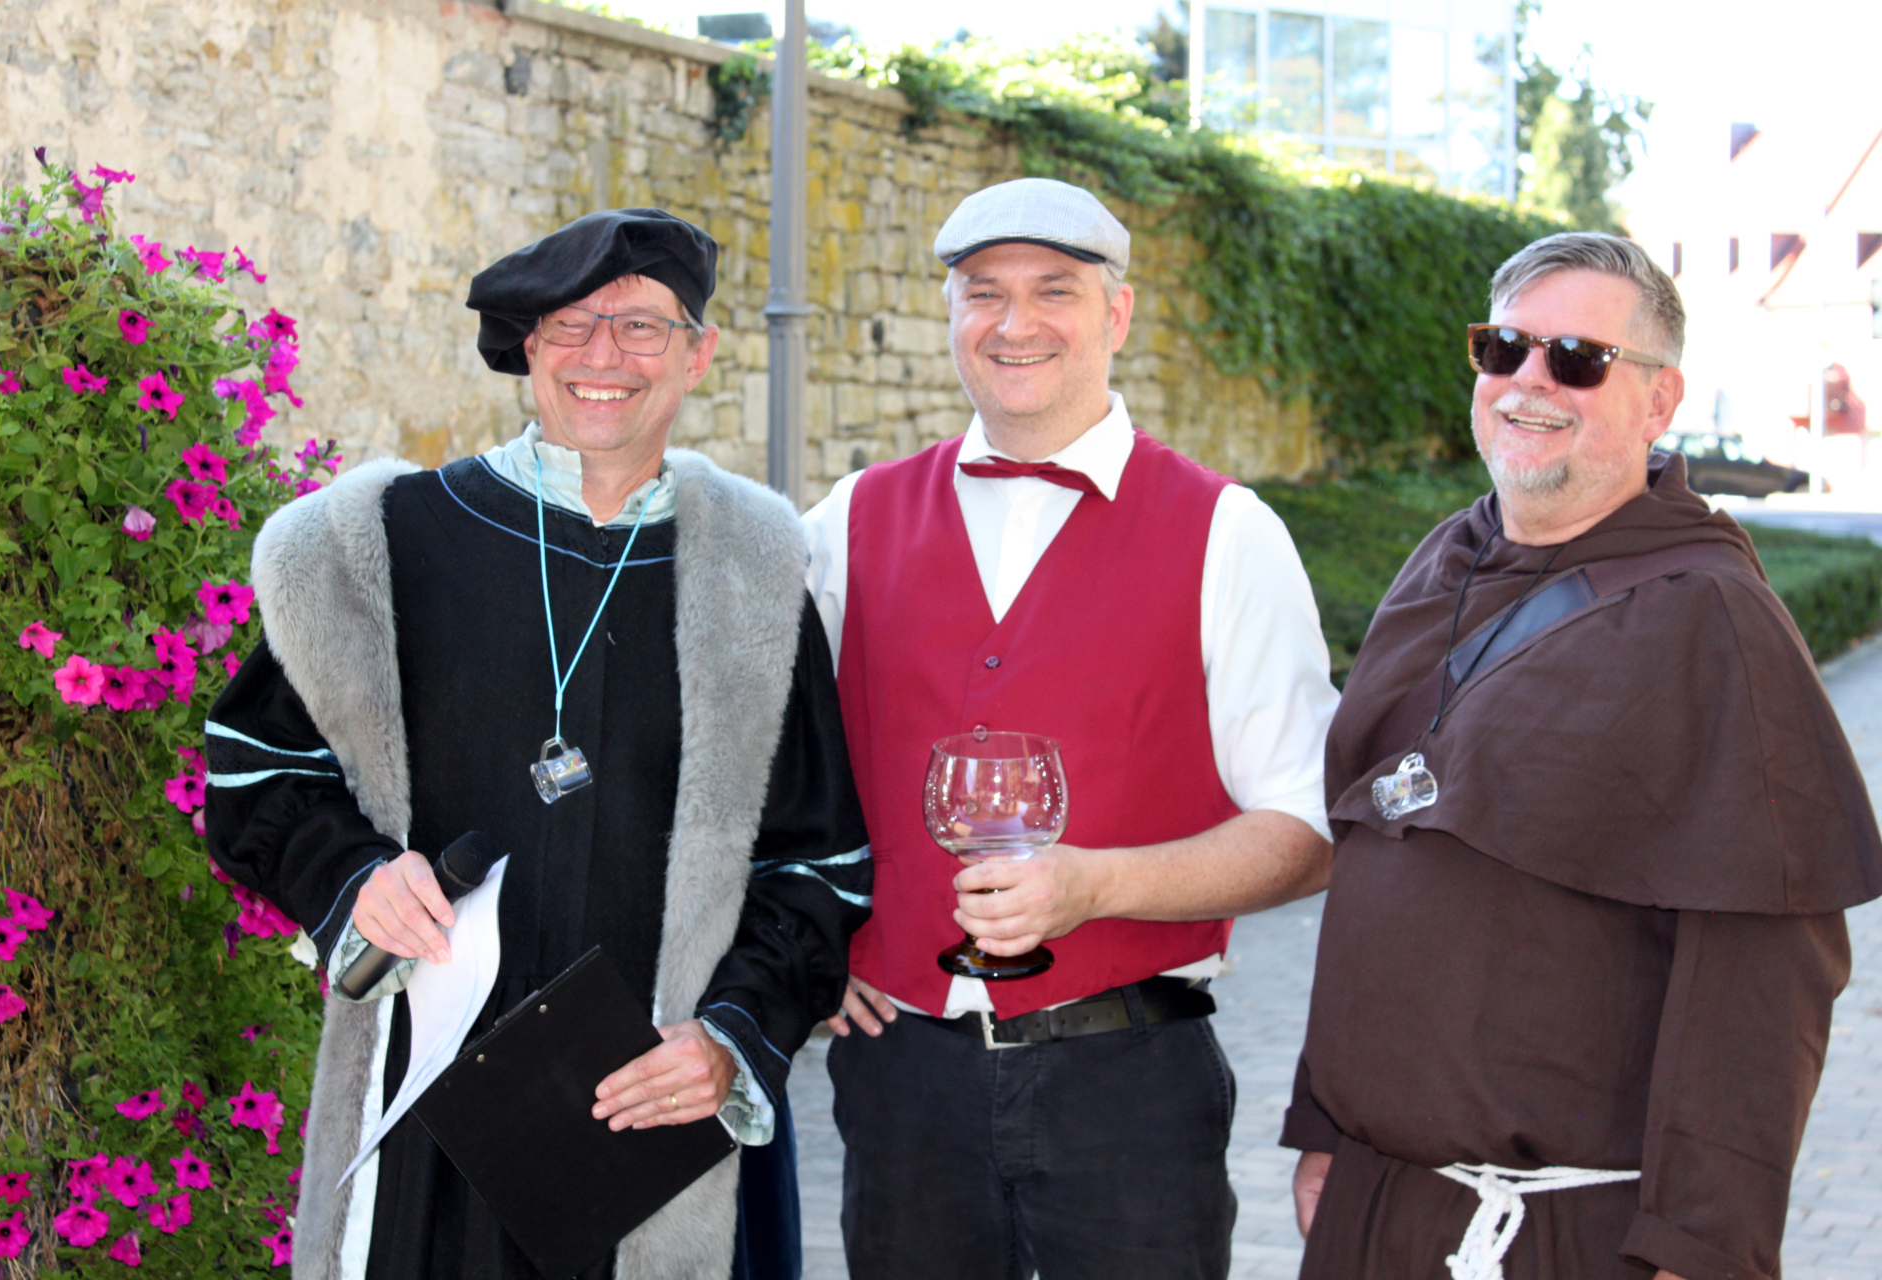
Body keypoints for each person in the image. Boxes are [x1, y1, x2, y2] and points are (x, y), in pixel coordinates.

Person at [205, 208, 871, 1280]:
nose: (604, 355)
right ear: (528, 346)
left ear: (698, 353)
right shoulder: (390, 542)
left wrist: (731, 1033)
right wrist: (355, 878)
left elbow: (817, 861)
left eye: (642, 325)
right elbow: (259, 767)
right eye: (571, 325)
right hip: (427, 1101)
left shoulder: (753, 573)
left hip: (656, 1109)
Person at [1281, 231, 1882, 1280]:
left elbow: (1763, 970)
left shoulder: (1712, 617)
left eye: (1578, 358)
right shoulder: (1444, 558)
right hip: (1378, 1203)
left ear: (1659, 400)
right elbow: (1379, 866)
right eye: (1504, 347)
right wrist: (1325, 1121)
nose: (1530, 381)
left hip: (1571, 1232)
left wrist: (1703, 1244)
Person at [803, 177, 1340, 1279]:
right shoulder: (846, 520)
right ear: (951, 315)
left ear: (1117, 313)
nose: (1016, 322)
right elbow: (742, 750)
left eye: (1055, 289)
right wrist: (798, 950)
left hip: (1130, 1081)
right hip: (903, 1083)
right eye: (983, 292)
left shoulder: (1227, 531)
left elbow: (1308, 829)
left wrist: (1096, 885)